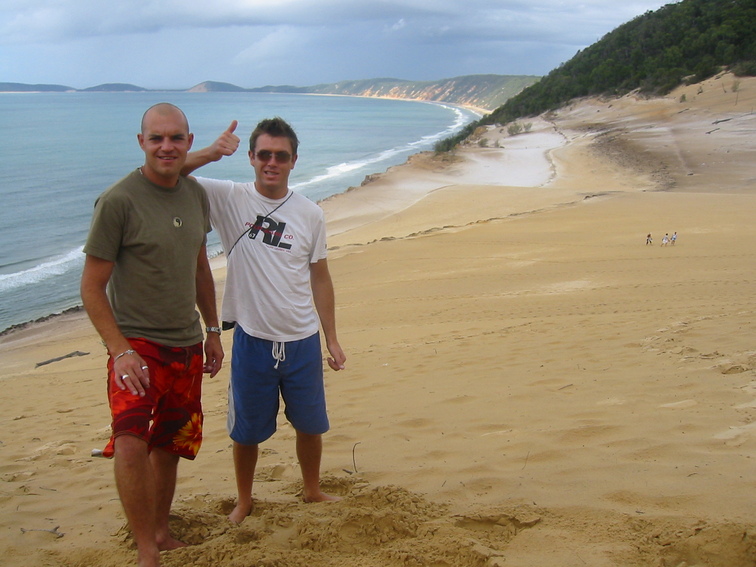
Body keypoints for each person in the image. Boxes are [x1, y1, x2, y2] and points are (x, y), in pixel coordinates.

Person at [182, 117, 346, 523]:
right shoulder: (228, 197)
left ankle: (312, 489)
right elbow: (165, 171)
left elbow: (320, 277)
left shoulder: (310, 214)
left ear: (294, 161)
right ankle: (244, 499)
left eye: (281, 156)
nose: (273, 162)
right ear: (252, 157)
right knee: (246, 431)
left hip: (302, 339)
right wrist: (211, 152)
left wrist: (331, 337)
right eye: (265, 155)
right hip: (252, 339)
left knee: (311, 424)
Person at [80, 103, 224, 567]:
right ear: (141, 142)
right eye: (157, 138)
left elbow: (199, 267)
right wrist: (119, 350)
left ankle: (161, 531)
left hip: (186, 342)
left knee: (170, 443)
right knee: (129, 439)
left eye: (176, 138)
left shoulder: (195, 194)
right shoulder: (118, 201)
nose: (167, 146)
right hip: (136, 346)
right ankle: (146, 550)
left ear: (188, 141)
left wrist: (213, 330)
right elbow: (91, 287)